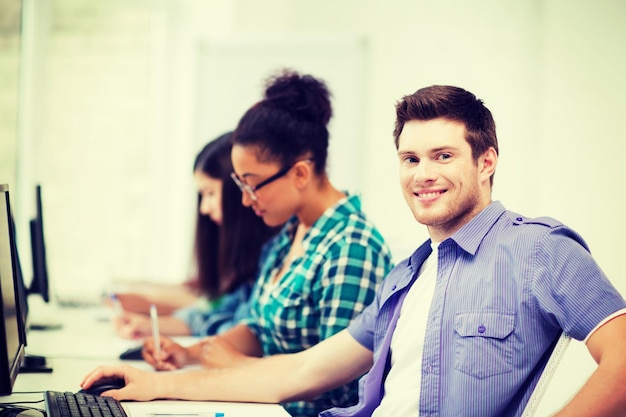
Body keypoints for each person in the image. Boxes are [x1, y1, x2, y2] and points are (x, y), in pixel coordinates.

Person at [82, 85, 626, 416]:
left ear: (486, 162)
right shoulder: (408, 276)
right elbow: (297, 373)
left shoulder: (537, 249)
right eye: (410, 159)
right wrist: (156, 385)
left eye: (443, 155)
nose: (424, 174)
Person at [136, 70, 392, 416]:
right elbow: (259, 327)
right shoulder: (289, 234)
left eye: (252, 184)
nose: (245, 200)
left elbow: (339, 391)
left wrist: (237, 366)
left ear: (300, 173)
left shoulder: (352, 249)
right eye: (240, 185)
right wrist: (193, 353)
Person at [114, 132, 279, 338]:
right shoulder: (246, 258)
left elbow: (238, 328)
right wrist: (150, 325)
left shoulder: (273, 252)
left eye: (210, 193)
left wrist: (151, 312)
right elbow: (217, 312)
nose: (204, 208)